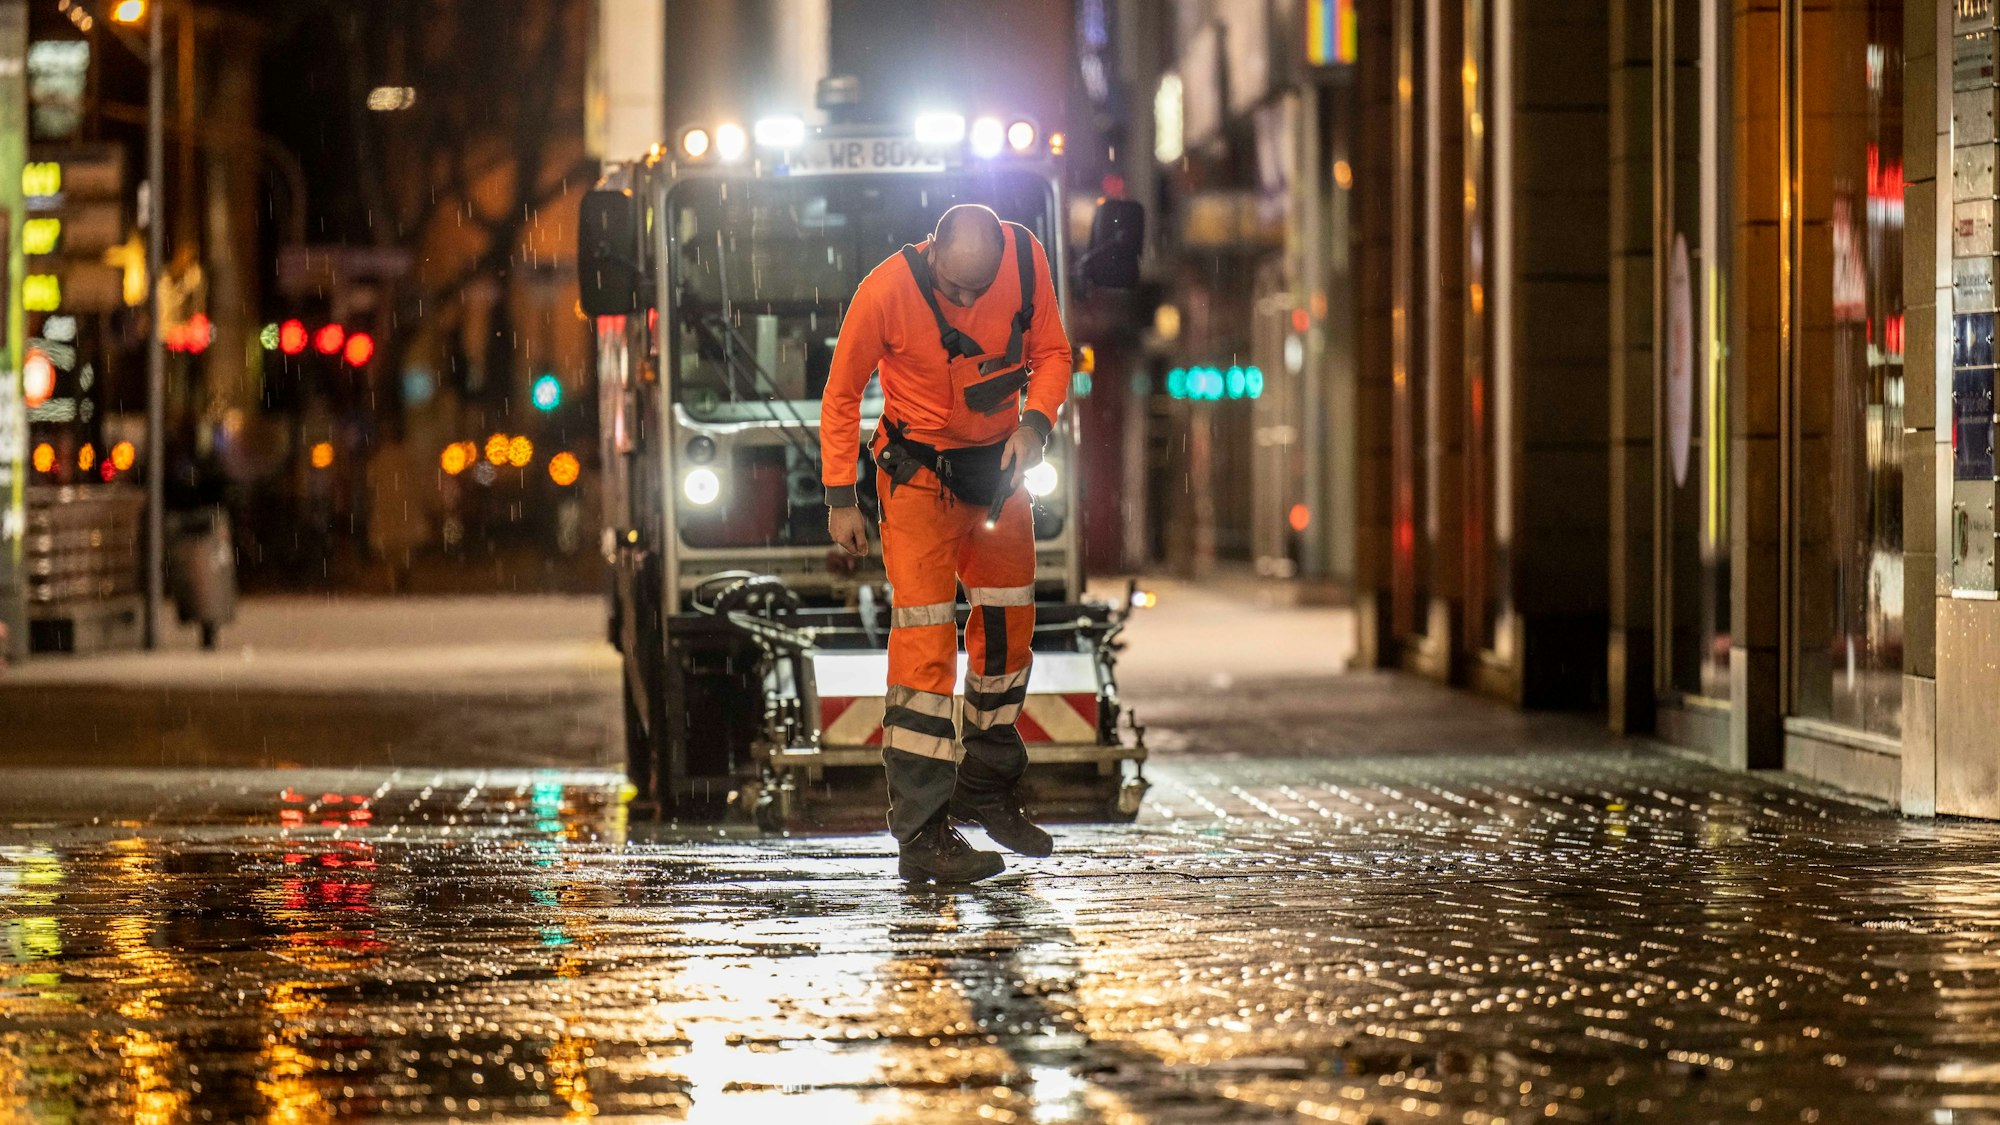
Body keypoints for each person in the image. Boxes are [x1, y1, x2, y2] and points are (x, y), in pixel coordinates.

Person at [821, 203, 1072, 884]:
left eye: (977, 291)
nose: (966, 303)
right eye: (954, 289)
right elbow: (842, 396)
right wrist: (841, 497)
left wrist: (1036, 425)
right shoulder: (884, 290)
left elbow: (1052, 354)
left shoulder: (1024, 262)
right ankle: (924, 836)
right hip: (919, 482)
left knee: (1008, 625)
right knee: (925, 651)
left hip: (999, 474)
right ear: (933, 251)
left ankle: (986, 787)